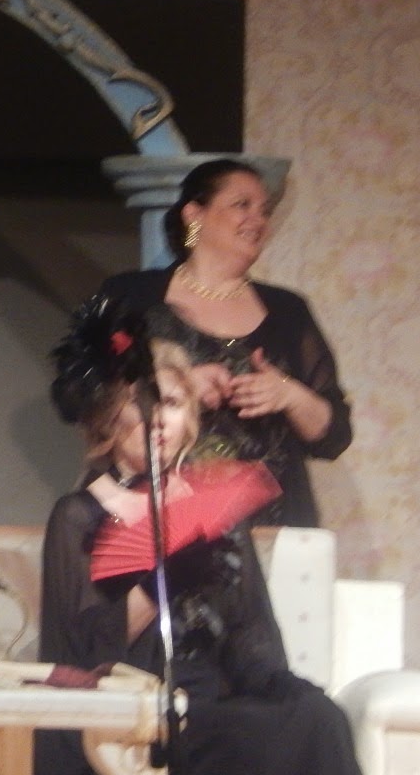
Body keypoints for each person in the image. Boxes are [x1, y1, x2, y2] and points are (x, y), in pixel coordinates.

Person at [32, 302, 391, 775]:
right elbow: (85, 653)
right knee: (265, 741)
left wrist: (278, 685)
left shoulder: (214, 510)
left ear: (189, 418)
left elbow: (253, 636)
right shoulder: (79, 516)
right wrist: (159, 576)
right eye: (140, 405)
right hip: (134, 709)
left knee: (318, 720)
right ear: (108, 421)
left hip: (216, 698)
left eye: (170, 403)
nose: (157, 420)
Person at [93, 158, 351, 526]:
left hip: (271, 525)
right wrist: (178, 388)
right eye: (242, 205)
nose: (258, 220)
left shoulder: (288, 311)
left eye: (265, 211)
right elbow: (81, 394)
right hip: (157, 522)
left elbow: (334, 436)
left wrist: (289, 394)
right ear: (194, 214)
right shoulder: (131, 296)